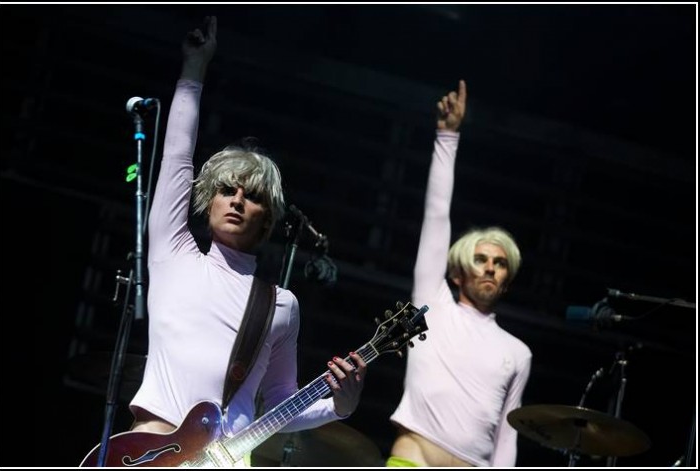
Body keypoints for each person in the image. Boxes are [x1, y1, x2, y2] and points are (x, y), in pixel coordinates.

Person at [128, 16, 367, 462]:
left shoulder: (281, 305)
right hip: (150, 451)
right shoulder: (173, 253)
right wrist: (193, 71)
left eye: (252, 195)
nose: (237, 200)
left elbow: (278, 406)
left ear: (269, 219)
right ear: (209, 199)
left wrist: (338, 407)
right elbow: (177, 155)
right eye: (226, 189)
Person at [387, 80, 532, 467]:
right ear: (456, 274)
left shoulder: (518, 353)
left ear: (507, 281)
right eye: (481, 259)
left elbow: (507, 438)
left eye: (500, 263)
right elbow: (436, 216)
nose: (490, 267)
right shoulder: (433, 306)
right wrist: (447, 136)